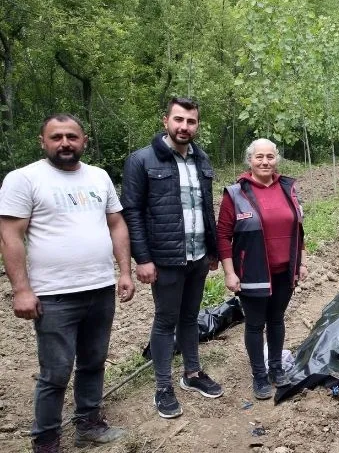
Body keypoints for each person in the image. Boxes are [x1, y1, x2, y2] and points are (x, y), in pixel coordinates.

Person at [0, 114, 135, 452]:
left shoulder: (99, 176)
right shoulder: (24, 179)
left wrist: (124, 271)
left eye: (72, 137)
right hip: (54, 294)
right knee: (56, 372)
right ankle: (46, 440)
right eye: (56, 137)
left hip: (99, 288)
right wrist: (21, 290)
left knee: (93, 361)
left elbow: (116, 224)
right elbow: (10, 235)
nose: (65, 143)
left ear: (84, 141)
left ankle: (88, 424)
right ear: (42, 141)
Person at [121, 97, 223, 419]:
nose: (184, 127)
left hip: (198, 255)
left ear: (197, 125)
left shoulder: (201, 159)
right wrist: (142, 258)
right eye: (178, 119)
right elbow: (132, 212)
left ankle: (192, 373)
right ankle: (163, 387)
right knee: (166, 321)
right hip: (165, 259)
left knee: (190, 317)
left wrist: (213, 251)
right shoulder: (141, 160)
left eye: (191, 121)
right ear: (165, 121)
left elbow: (206, 207)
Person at [216, 138, 307, 400]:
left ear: (276, 159)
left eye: (270, 156)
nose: (265, 162)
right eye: (259, 157)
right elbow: (223, 236)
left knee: (277, 319)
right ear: (250, 160)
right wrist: (230, 272)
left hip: (284, 271)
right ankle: (259, 374)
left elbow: (299, 228)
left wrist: (301, 262)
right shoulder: (235, 194)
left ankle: (276, 367)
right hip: (252, 272)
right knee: (255, 324)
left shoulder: (288, 188)